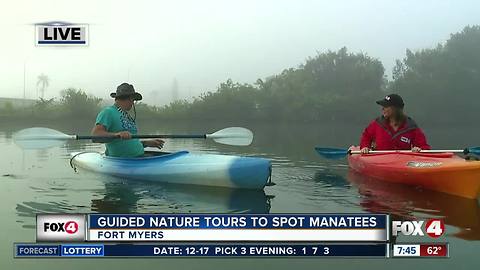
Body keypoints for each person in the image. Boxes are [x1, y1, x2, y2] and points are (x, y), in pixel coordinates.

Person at [91, 83, 164, 157]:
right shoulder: (108, 112)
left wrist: (146, 143)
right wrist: (117, 134)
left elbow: (130, 142)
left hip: (140, 158)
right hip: (123, 162)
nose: (133, 103)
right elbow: (95, 136)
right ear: (126, 98)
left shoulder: (127, 115)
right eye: (132, 99)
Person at [359, 94, 430, 154]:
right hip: (379, 160)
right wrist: (365, 147)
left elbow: (424, 146)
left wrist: (419, 149)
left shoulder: (411, 127)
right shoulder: (377, 123)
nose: (382, 109)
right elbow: (366, 136)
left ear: (395, 109)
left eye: (386, 106)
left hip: (402, 161)